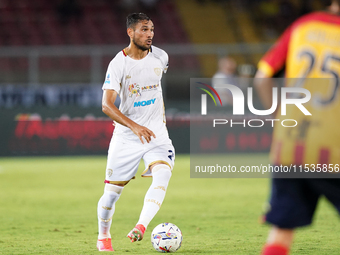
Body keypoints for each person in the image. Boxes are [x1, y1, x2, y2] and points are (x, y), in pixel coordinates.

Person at [254, 1, 340, 254]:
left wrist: (281, 120)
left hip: (292, 143)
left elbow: (262, 78)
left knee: (281, 230)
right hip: (333, 145)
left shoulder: (304, 26)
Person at [96, 13, 175, 252]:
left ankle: (141, 226)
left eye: (151, 29)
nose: (150, 34)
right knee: (111, 195)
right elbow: (106, 105)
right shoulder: (118, 64)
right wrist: (134, 126)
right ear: (130, 32)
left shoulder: (161, 57)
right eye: (143, 29)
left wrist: (147, 125)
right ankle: (103, 235)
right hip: (127, 137)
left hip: (156, 134)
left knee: (163, 173)